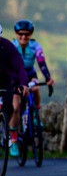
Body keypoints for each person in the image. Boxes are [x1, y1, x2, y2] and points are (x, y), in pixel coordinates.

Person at [12, 19, 54, 117]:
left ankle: (36, 113)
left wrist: (48, 78)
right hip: (15, 75)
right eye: (20, 34)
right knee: (15, 99)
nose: (23, 37)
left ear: (31, 34)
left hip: (30, 74)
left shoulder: (35, 46)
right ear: (16, 33)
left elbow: (41, 63)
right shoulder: (12, 46)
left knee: (35, 89)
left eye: (27, 34)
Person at [0, 23, 29, 158]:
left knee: (15, 107)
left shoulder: (8, 46)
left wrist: (23, 84)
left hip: (8, 81)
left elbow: (20, 66)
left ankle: (13, 137)